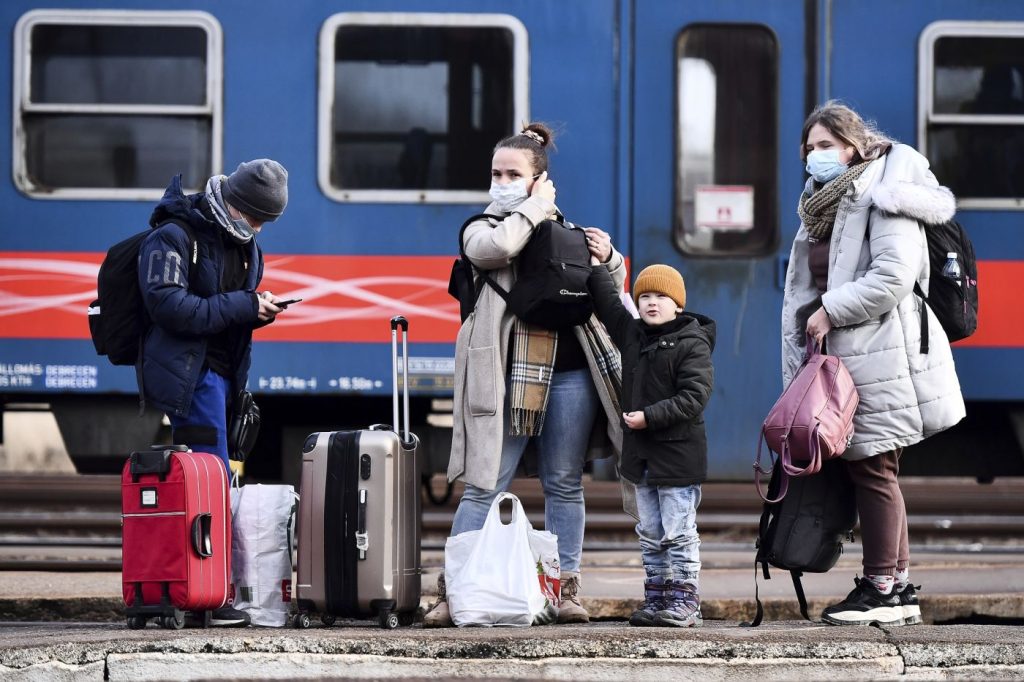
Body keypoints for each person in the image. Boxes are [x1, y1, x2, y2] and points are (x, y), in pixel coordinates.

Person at [424, 123, 626, 627]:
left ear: (539, 178)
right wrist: (533, 206)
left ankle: (563, 589)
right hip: (507, 374)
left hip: (571, 372)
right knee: (483, 484)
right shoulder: (481, 228)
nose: (501, 180)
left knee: (563, 484)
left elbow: (603, 290)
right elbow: (498, 249)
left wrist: (612, 259)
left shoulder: (568, 232)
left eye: (513, 173)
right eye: (496, 172)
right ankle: (456, 590)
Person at [782, 101, 966, 626]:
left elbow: (893, 276)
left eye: (826, 146)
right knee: (874, 468)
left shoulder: (882, 195)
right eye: (810, 148)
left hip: (882, 351)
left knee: (873, 468)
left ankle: (882, 588)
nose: (816, 156)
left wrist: (828, 311)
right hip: (852, 355)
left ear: (853, 147)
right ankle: (896, 587)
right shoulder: (825, 203)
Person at [136, 159, 291, 627]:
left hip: (225, 379)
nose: (257, 228)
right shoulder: (173, 236)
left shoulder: (249, 249)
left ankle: (205, 587)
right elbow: (168, 306)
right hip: (191, 375)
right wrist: (244, 304)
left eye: (266, 222)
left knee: (217, 481)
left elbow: (227, 315)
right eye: (254, 216)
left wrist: (257, 311)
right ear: (234, 203)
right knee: (209, 483)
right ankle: (212, 595)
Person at [587, 263, 715, 627]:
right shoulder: (633, 335)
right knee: (650, 533)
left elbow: (694, 397)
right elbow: (609, 306)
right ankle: (658, 596)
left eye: (661, 297)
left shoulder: (693, 344)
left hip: (677, 458)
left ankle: (686, 600)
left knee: (678, 531)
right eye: (644, 297)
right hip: (642, 460)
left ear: (678, 304)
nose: (651, 303)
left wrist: (648, 417)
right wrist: (598, 265)